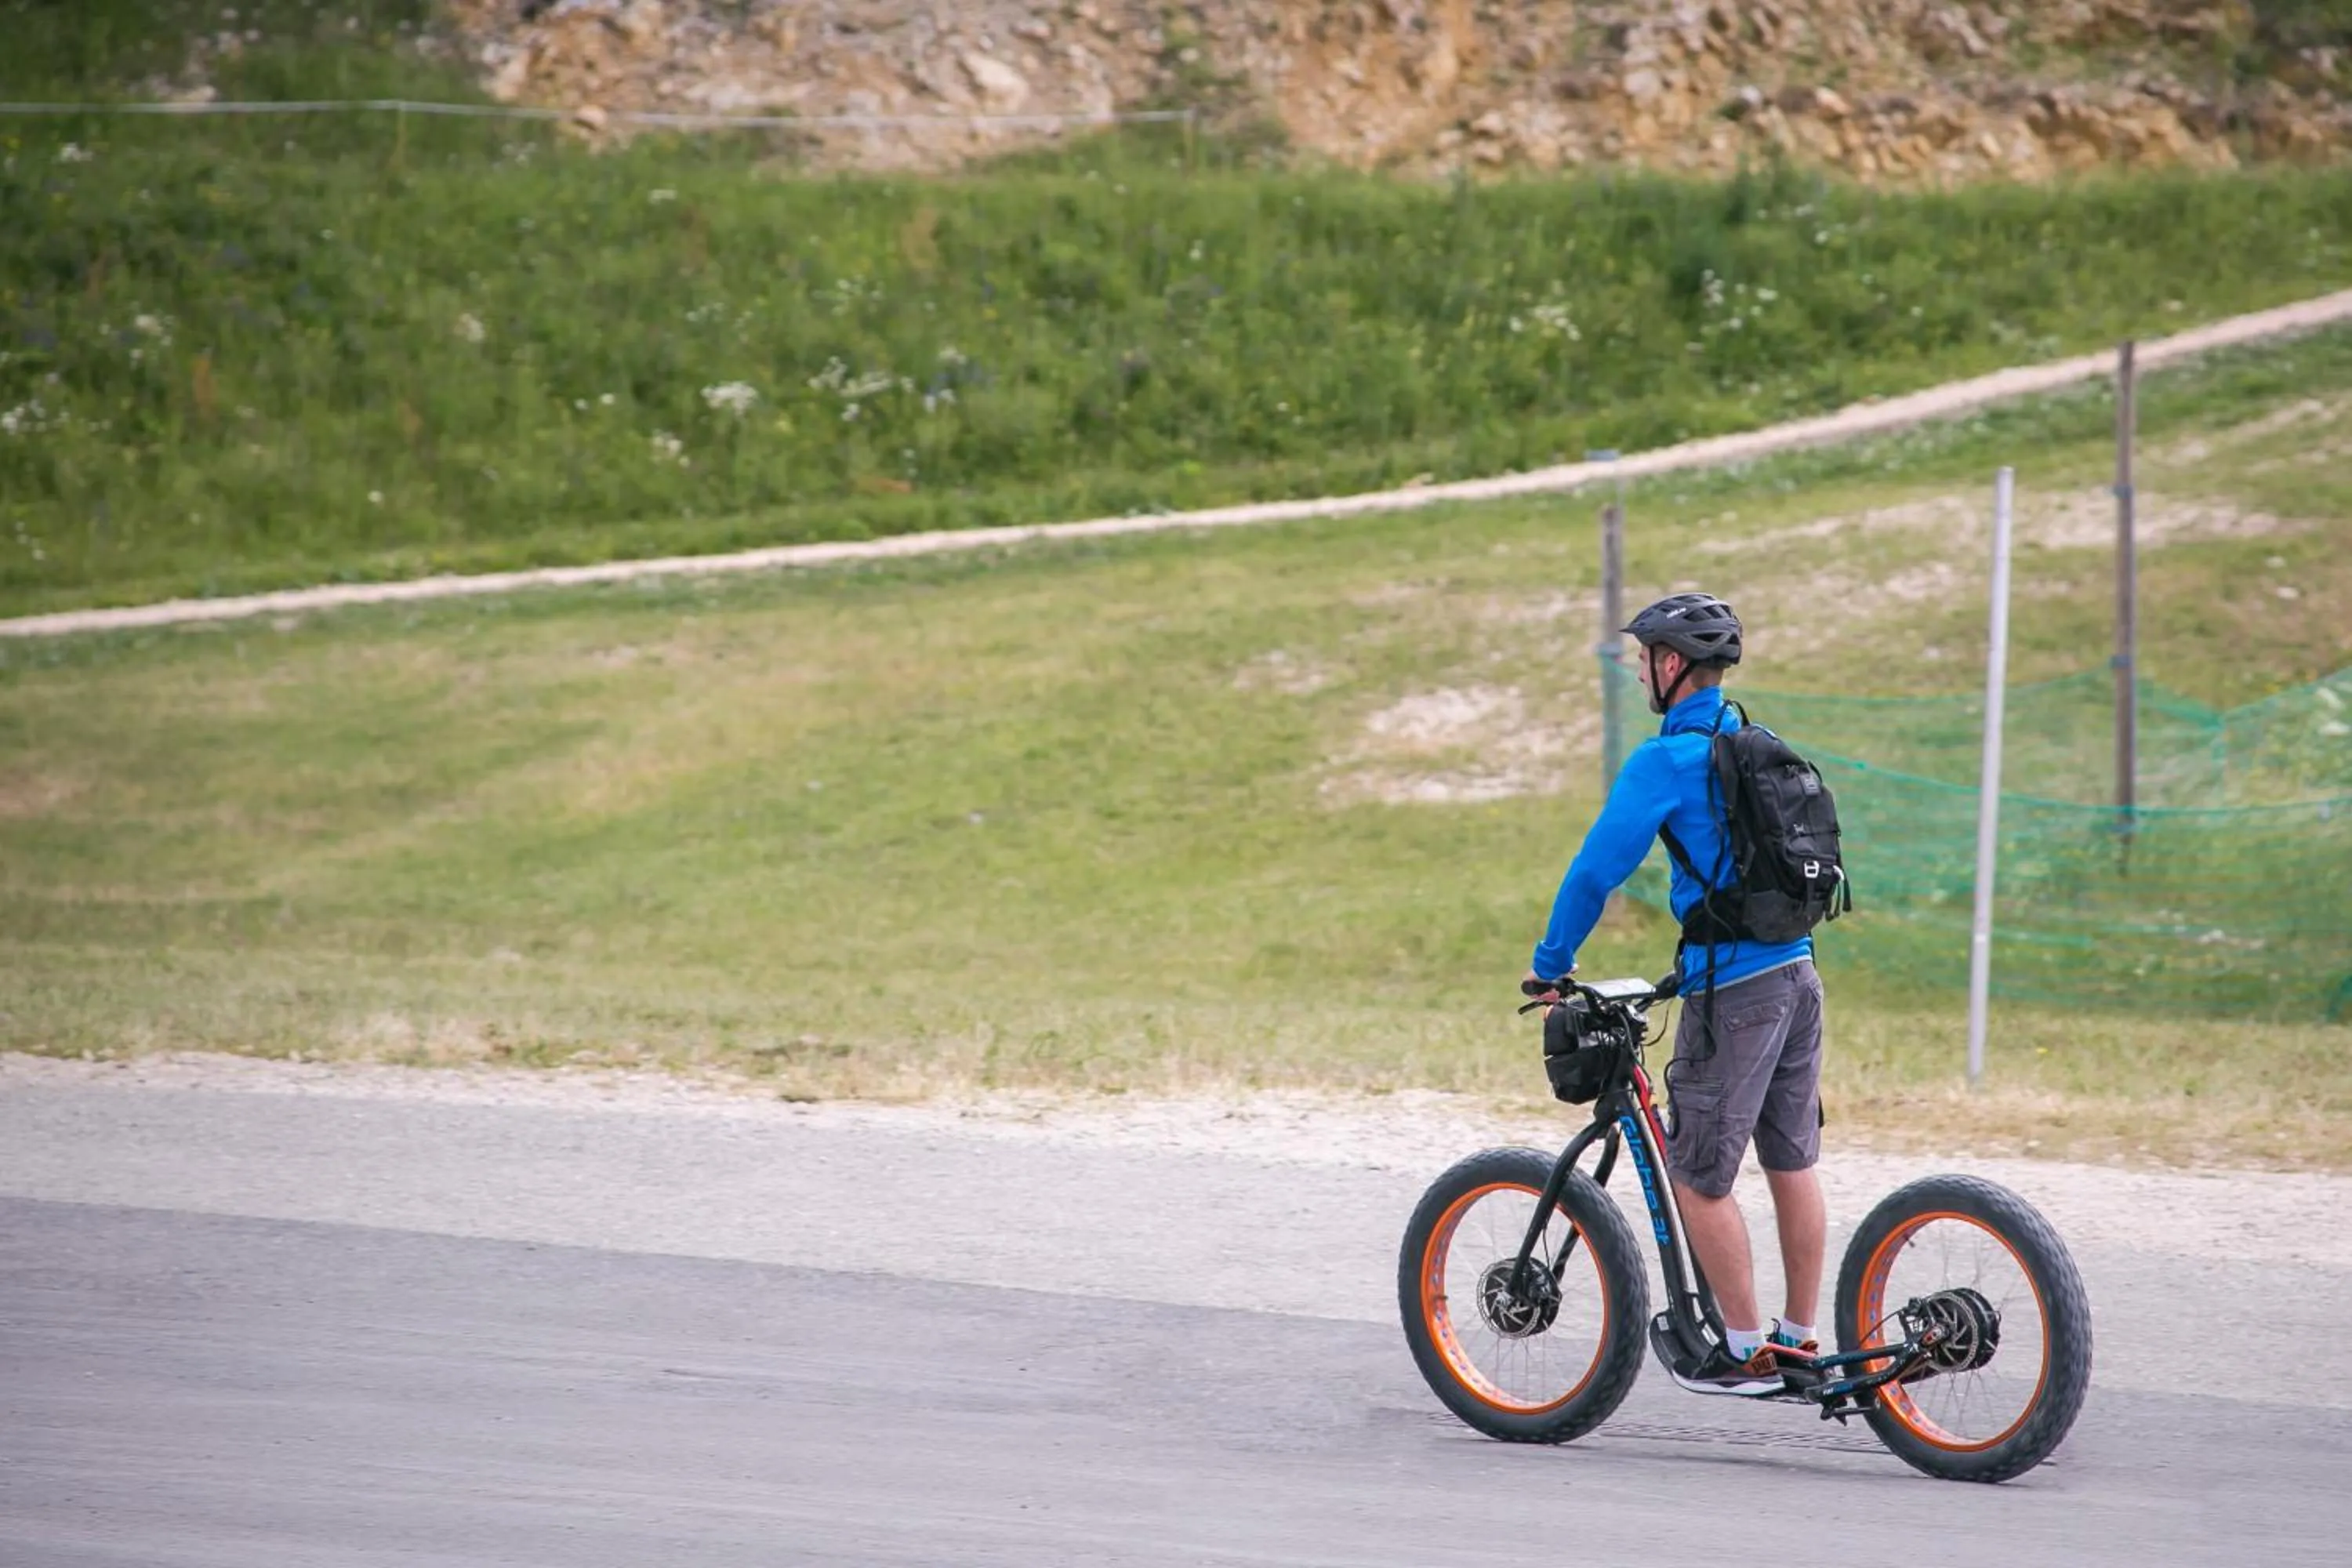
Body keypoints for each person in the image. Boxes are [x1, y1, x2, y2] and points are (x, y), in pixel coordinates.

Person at [1522, 592, 1827, 1396]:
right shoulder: (1749, 738)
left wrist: (1551, 962)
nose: (1642, 671)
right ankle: (1799, 1334)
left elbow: (1596, 869)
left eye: (1648, 657)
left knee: (1698, 1173)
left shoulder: (1665, 760)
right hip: (1798, 974)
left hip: (1736, 991)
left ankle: (1745, 1348)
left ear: (1671, 664)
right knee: (1790, 1157)